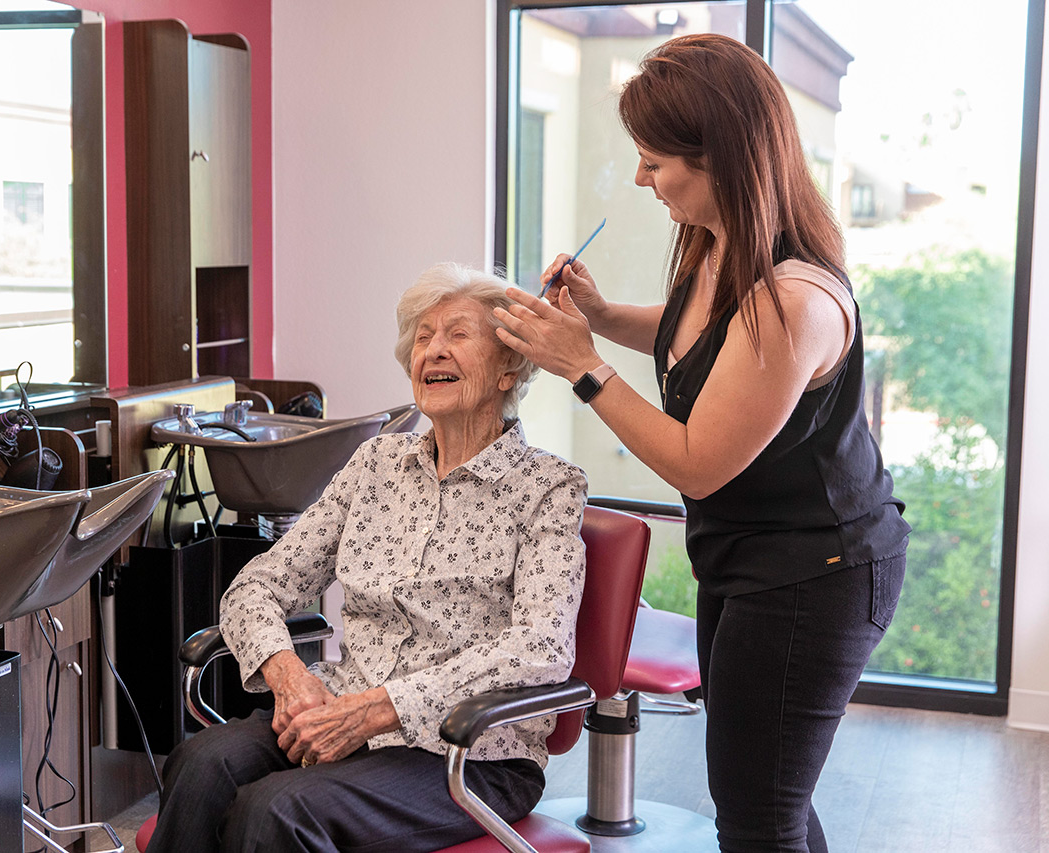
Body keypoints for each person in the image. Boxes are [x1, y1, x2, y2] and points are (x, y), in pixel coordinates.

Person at [493, 34, 911, 853]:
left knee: (758, 811)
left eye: (654, 161)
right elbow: (703, 341)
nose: (643, 179)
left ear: (718, 154)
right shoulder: (723, 244)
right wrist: (602, 317)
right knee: (768, 794)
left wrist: (584, 368)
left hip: (814, 571)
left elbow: (697, 461)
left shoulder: (795, 296)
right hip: (750, 559)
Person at [146, 262, 588, 853]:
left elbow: (541, 649)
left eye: (457, 335)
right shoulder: (375, 465)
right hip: (340, 706)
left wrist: (379, 710)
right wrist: (290, 679)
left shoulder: (548, 487)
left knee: (276, 810)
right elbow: (257, 586)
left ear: (510, 367)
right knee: (201, 765)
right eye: (423, 338)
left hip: (470, 753)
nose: (433, 351)